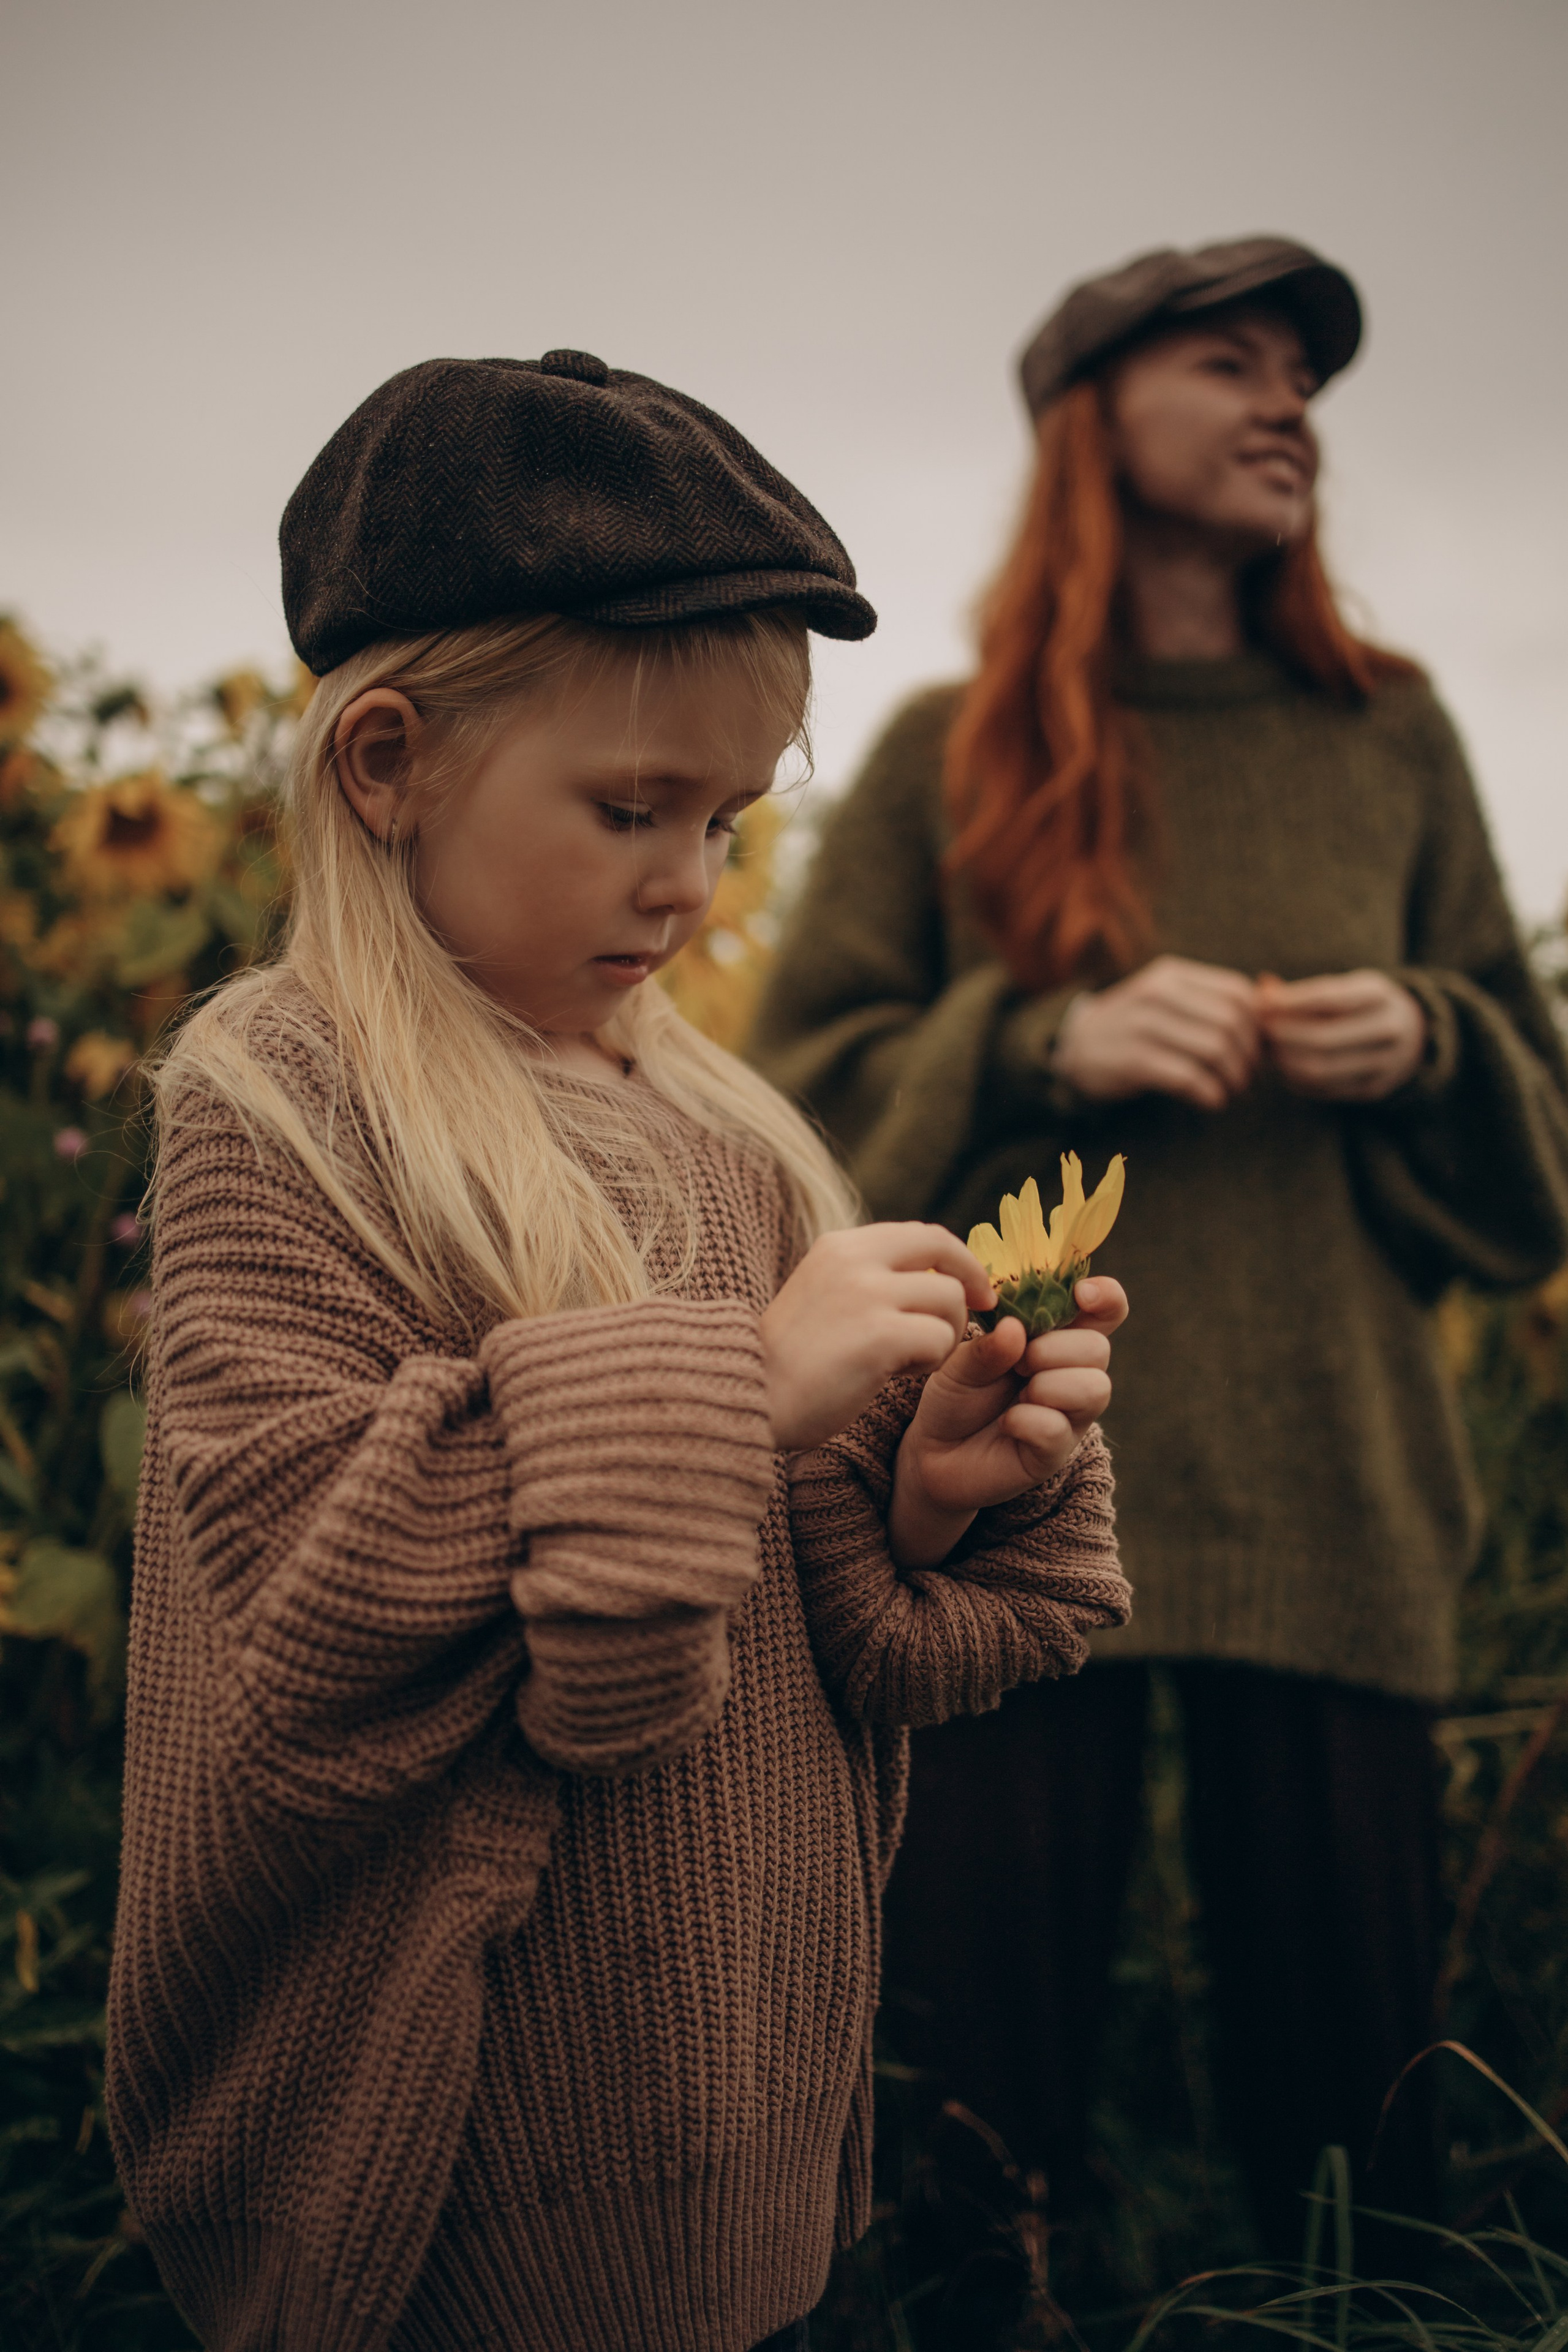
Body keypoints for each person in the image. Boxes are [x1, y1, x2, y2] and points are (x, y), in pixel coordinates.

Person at [104, 351, 1132, 2352]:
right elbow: (316, 1601)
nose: (688, 882)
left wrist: (922, 1493)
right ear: (384, 764)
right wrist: (744, 1386)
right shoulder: (284, 1102)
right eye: (632, 808)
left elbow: (819, 1623)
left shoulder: (716, 1129)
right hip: (456, 2144)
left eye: (731, 822)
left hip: (725, 2092)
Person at [750, 238, 1568, 2277]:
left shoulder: (1392, 737)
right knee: (972, 2105)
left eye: (1306, 374)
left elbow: (1533, 1176)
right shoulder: (950, 748)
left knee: (1360, 2128)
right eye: (1230, 362)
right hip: (1005, 1482)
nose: (1290, 404)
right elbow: (779, 1135)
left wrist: (1432, 1041)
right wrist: (1043, 1034)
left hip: (1332, 1494)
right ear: (1090, 422)